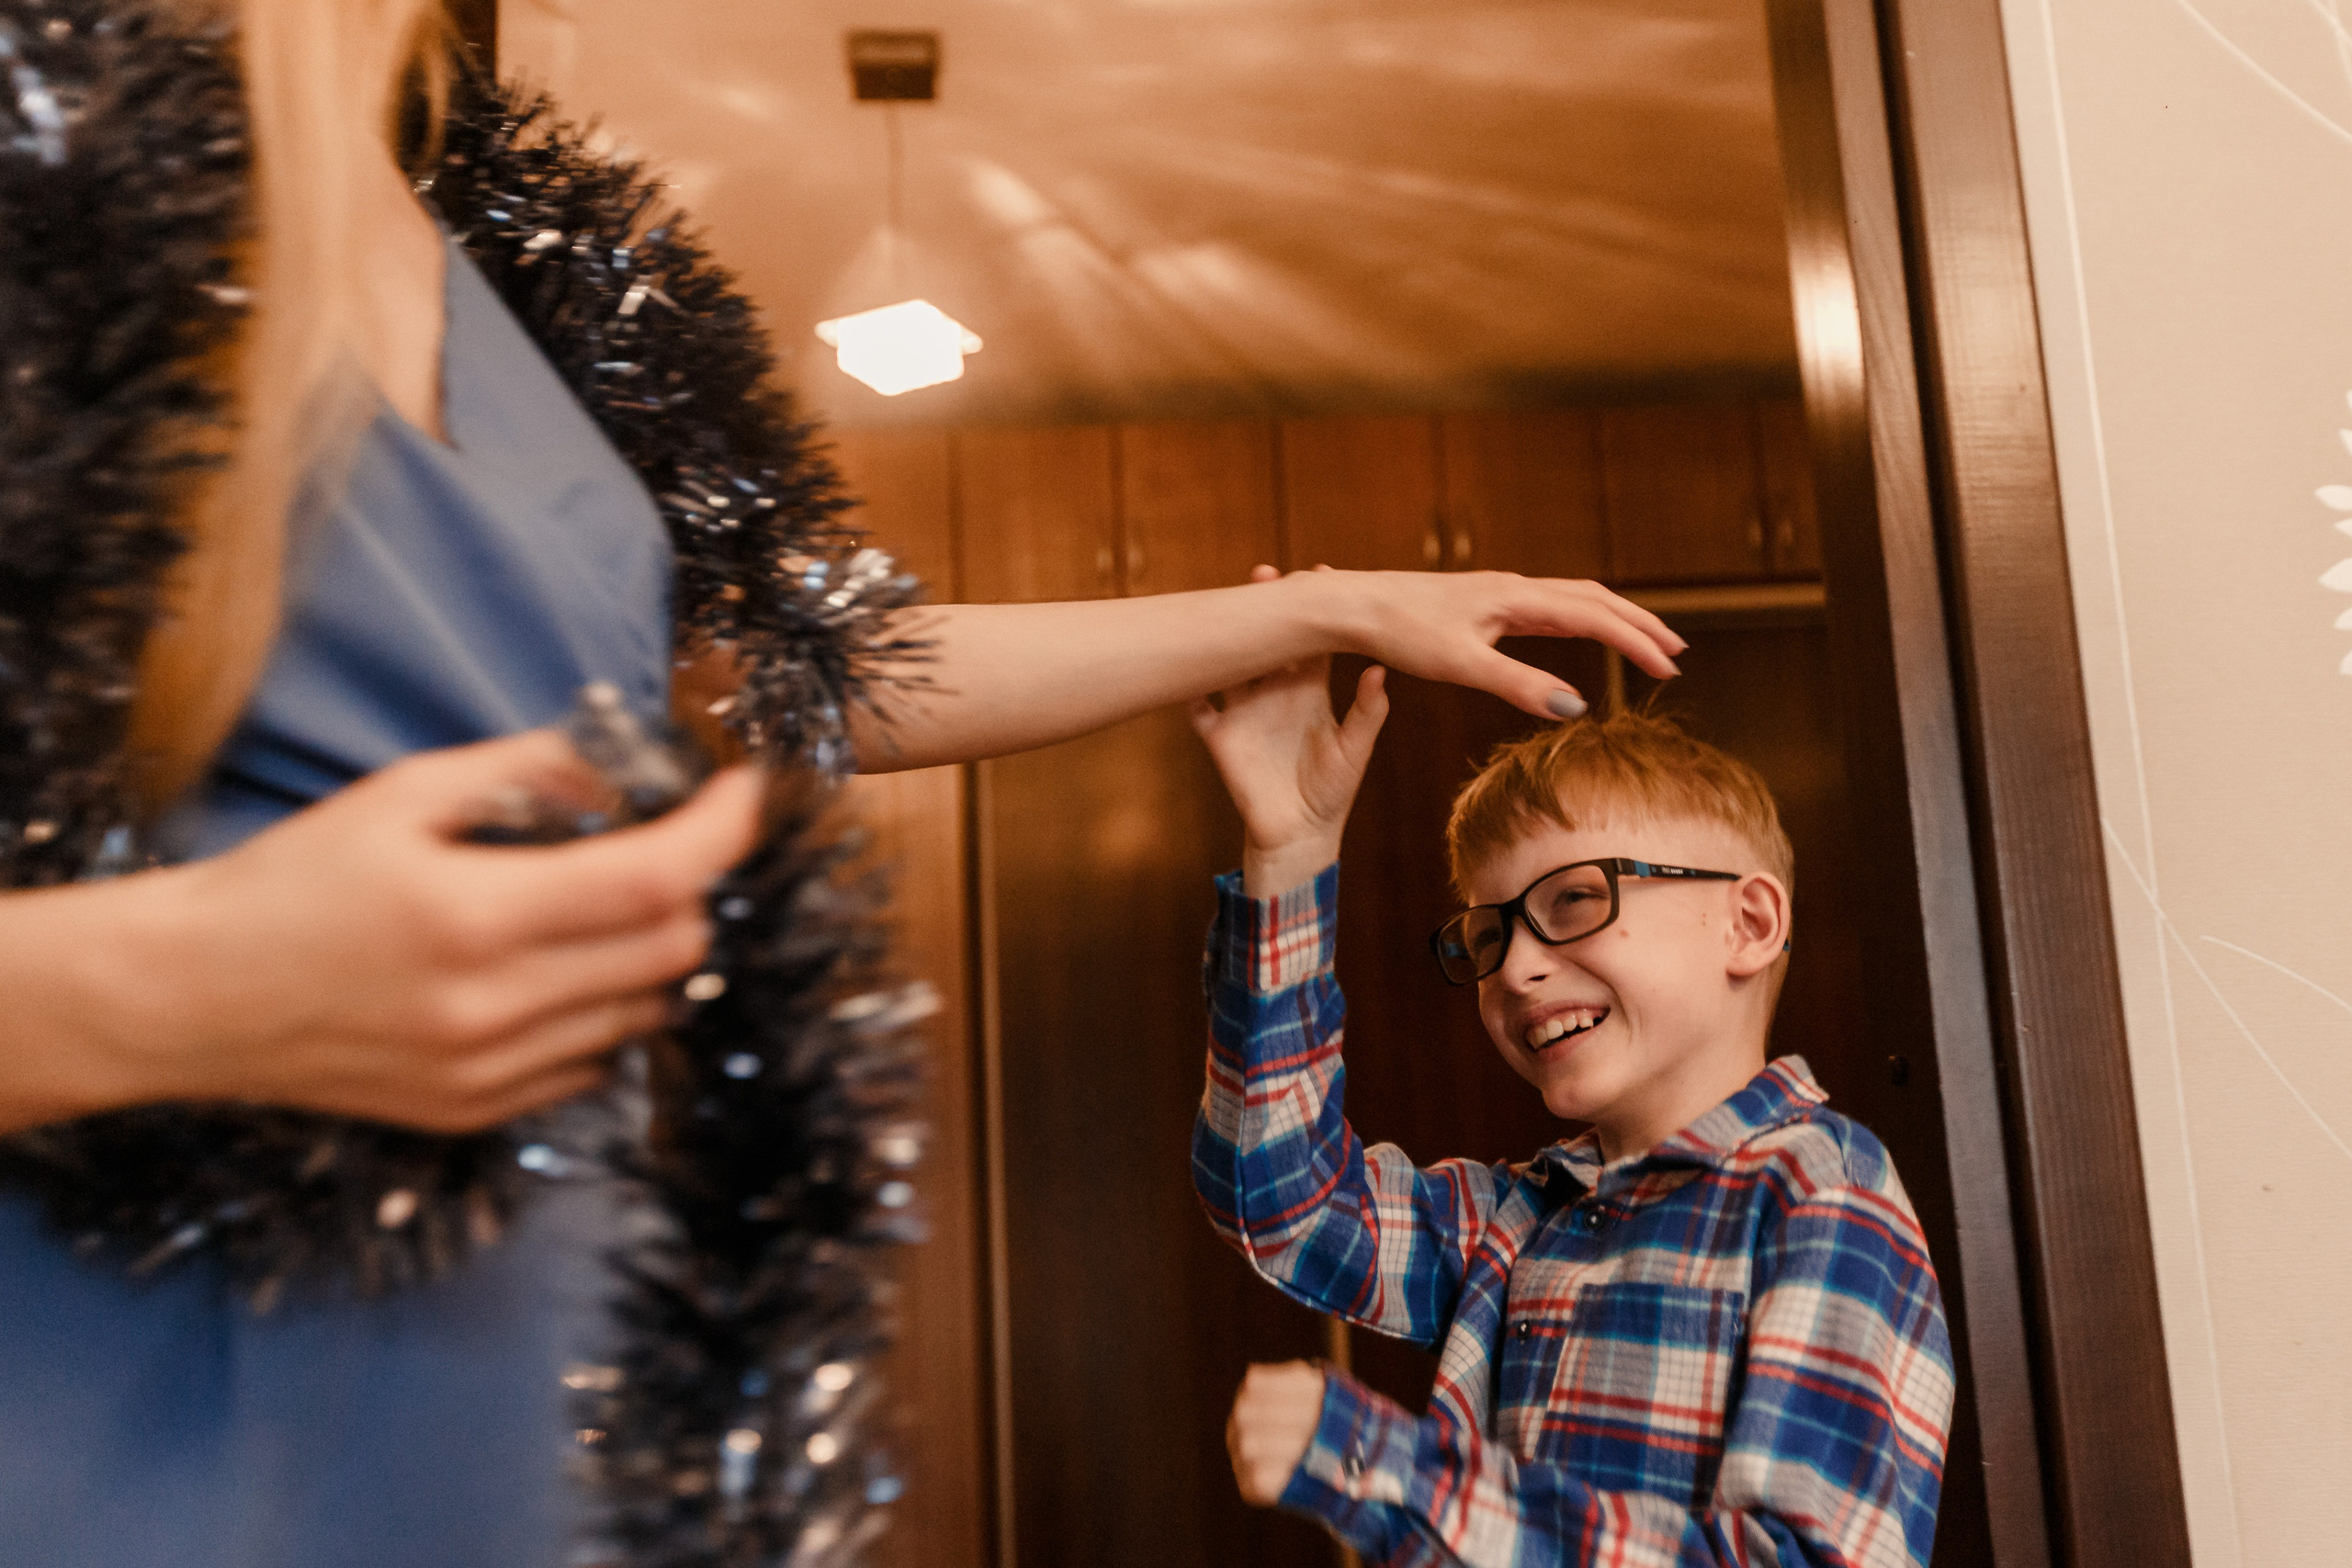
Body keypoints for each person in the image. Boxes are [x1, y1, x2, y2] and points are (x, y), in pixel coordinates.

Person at [0, 2, 1689, 1564]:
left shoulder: (482, 243)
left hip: (488, 1396)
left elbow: (820, 673)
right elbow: (1291, 1199)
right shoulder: (51, 129)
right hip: (124, 1391)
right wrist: (187, 986)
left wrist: (1322, 610)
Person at [1188, 663, 1955, 1566]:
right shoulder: (1521, 1219)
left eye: (1576, 901)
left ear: (1745, 924)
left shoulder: (1821, 1196)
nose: (1514, 971)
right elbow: (1282, 1201)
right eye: (1488, 935)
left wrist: (1391, 1469)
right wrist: (1289, 858)